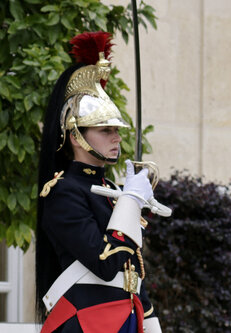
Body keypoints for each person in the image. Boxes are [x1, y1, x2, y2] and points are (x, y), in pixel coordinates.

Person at [36, 31, 162, 332]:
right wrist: (131, 202)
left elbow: (133, 271)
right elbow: (104, 264)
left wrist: (152, 320)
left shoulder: (115, 192)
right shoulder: (63, 191)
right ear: (76, 136)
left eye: (116, 130)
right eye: (105, 130)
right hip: (86, 320)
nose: (116, 137)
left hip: (126, 317)